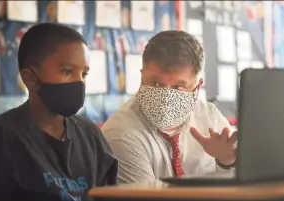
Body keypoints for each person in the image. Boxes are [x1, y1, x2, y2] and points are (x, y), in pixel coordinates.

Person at [0, 23, 118, 201]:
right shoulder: (0, 138)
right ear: (31, 78)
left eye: (84, 74)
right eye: (67, 71)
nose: (79, 83)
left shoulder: (90, 134)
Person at [101, 30, 237, 184]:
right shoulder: (121, 133)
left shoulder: (209, 117)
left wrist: (226, 162)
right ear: (142, 77)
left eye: (179, 87)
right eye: (156, 83)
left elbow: (240, 188)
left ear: (198, 87)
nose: (166, 96)